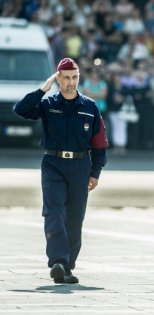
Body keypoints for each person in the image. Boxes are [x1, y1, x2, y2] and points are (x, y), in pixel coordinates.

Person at [13, 57, 108, 284]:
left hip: (80, 166)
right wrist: (43, 89)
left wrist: (95, 173)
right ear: (58, 79)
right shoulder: (48, 104)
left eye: (74, 77)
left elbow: (100, 144)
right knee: (54, 212)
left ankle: (67, 266)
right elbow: (20, 110)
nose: (71, 82)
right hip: (53, 164)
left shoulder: (90, 106)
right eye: (65, 78)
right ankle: (57, 260)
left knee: (75, 218)